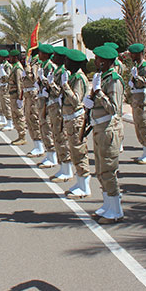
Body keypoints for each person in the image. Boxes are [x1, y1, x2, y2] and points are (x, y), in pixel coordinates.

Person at [84, 46, 125, 223]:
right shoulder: (102, 77)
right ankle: (107, 205)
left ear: (106, 61)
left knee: (108, 171)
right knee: (101, 171)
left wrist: (99, 93)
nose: (96, 61)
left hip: (109, 129)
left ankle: (116, 211)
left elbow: (114, 108)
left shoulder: (114, 80)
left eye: (98, 58)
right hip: (100, 127)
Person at [58, 49, 91, 196]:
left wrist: (65, 86)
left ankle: (85, 186)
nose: (65, 64)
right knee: (74, 151)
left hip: (76, 119)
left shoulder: (78, 78)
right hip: (70, 118)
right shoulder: (73, 76)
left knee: (79, 152)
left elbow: (76, 100)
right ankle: (80, 183)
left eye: (67, 61)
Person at [127, 43, 146, 164]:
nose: (131, 56)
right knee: (139, 126)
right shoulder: (137, 66)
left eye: (133, 54)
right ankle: (145, 151)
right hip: (136, 98)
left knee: (145, 125)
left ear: (140, 54)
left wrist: (137, 77)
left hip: (142, 99)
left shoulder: (145, 66)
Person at [35, 44, 57, 167]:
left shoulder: (50, 67)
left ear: (46, 54)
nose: (39, 54)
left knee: (47, 128)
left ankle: (52, 156)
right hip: (42, 100)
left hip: (49, 102)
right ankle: (49, 154)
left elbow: (51, 85)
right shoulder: (43, 66)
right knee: (43, 126)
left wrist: (43, 82)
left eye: (41, 53)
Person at [22, 49, 44, 157]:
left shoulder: (36, 63)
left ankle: (40, 147)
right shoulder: (31, 62)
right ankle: (36, 145)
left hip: (33, 95)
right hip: (28, 95)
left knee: (34, 120)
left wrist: (27, 69)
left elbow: (34, 79)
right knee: (29, 120)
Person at [7, 49, 27, 145]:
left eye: (11, 57)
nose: (9, 59)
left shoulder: (18, 68)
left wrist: (20, 98)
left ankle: (22, 136)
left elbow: (20, 84)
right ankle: (19, 135)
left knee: (19, 116)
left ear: (15, 57)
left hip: (16, 96)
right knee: (15, 116)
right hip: (13, 95)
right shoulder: (14, 67)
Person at [0, 49, 13, 130]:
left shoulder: (8, 66)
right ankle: (6, 121)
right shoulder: (2, 65)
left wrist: (3, 74)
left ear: (3, 57)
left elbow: (9, 78)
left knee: (7, 105)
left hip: (6, 88)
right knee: (3, 105)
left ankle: (10, 123)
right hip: (2, 87)